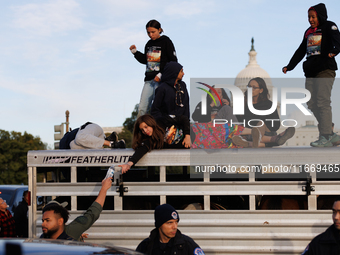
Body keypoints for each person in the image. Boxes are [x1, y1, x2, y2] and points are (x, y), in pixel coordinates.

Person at [282, 3, 340, 147]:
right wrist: (289, 66)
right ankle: (330, 133)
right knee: (312, 103)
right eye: (309, 17)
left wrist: (334, 52)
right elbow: (301, 50)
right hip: (311, 72)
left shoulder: (329, 26)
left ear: (319, 16)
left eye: (313, 17)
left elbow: (338, 41)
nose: (310, 20)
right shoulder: (308, 32)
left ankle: (326, 135)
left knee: (322, 101)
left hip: (325, 69)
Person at [130, 19, 178, 117]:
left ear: (159, 30)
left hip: (161, 81)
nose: (151, 35)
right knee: (142, 108)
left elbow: (173, 61)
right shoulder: (148, 44)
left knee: (158, 108)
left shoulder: (166, 41)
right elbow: (146, 60)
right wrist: (135, 52)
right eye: (148, 32)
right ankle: (139, 131)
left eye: (153, 32)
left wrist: (161, 74)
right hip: (149, 81)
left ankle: (158, 130)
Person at [40, 177, 112, 240]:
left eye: (47, 220)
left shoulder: (43, 238)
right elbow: (92, 213)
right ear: (60, 221)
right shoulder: (70, 231)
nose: (43, 224)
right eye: (44, 220)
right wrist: (104, 189)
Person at [231, 77, 295, 148]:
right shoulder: (241, 104)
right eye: (249, 87)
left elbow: (276, 125)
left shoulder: (268, 104)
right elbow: (237, 123)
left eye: (254, 87)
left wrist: (264, 125)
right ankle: (275, 139)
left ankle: (251, 142)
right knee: (257, 129)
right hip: (248, 134)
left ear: (261, 90)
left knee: (260, 124)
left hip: (266, 133)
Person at [119, 114, 190, 174]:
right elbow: (140, 151)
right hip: (190, 147)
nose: (145, 131)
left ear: (150, 123)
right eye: (142, 130)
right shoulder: (150, 141)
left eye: (146, 127)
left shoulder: (161, 120)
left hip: (196, 132)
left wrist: (187, 135)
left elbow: (183, 118)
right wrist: (128, 164)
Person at [136, 204, 205, 255]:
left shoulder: (187, 244)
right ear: (159, 225)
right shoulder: (145, 246)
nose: (174, 227)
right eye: (170, 223)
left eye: (176, 222)